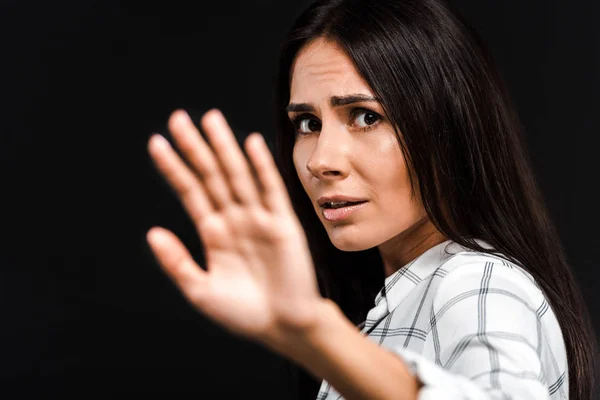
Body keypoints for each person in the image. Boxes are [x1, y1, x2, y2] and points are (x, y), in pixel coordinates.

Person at [145, 0, 598, 399]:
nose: (322, 160)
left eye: (365, 116)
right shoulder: (396, 297)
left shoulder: (476, 282)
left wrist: (314, 331)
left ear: (449, 128)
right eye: (307, 123)